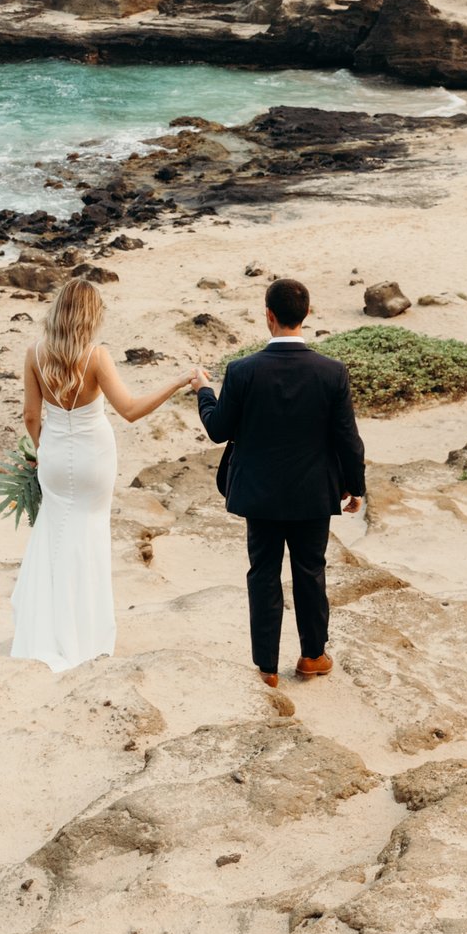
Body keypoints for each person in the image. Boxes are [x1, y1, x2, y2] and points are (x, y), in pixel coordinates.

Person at [9, 277, 201, 671]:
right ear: (90, 316)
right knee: (88, 538)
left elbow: (31, 416)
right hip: (94, 459)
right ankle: (84, 631)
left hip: (56, 457)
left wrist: (40, 450)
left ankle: (47, 627)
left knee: (54, 535)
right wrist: (179, 380)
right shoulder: (96, 356)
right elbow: (129, 410)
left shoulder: (34, 353)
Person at [192, 277, 367, 686]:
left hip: (259, 494)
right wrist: (355, 486)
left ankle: (267, 669)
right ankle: (311, 657)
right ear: (306, 314)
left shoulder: (241, 371)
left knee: (263, 574)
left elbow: (218, 430)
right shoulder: (332, 372)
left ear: (268, 315)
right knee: (310, 571)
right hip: (312, 492)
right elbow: (348, 438)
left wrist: (204, 391)